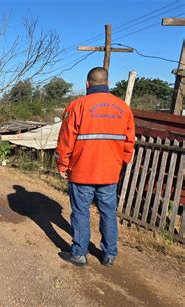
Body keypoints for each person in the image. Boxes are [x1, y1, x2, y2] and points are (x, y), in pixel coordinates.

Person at [55, 67, 135, 267]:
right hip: (109, 173)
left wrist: (62, 164)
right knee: (108, 212)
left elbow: (65, 140)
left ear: (87, 83)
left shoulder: (77, 106)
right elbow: (129, 142)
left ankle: (79, 254)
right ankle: (109, 255)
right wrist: (120, 163)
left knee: (81, 213)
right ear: (107, 82)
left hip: (82, 172)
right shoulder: (123, 108)